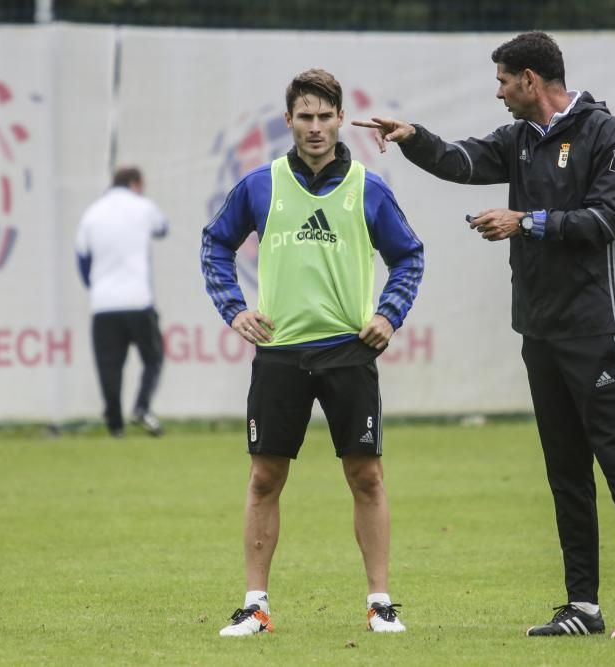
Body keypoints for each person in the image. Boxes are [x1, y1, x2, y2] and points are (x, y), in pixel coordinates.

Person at [353, 31, 615, 639]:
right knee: (565, 471)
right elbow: (461, 161)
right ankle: (584, 606)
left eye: (502, 80)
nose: (497, 92)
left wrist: (526, 221)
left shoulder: (604, 133)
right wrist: (411, 137)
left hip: (594, 327)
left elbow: (606, 220)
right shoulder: (521, 139)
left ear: (530, 80)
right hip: (540, 331)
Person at [201, 68, 423, 636]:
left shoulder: (368, 188)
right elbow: (215, 245)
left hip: (349, 352)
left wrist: (387, 315)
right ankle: (256, 605)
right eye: (306, 116)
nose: (317, 127)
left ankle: (379, 603)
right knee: (263, 478)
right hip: (280, 354)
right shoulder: (260, 184)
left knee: (367, 476)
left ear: (341, 118)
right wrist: (235, 309)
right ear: (289, 121)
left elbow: (409, 257)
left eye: (326, 116)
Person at [75, 166, 168, 438]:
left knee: (109, 367)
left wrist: (96, 287)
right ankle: (141, 406)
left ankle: (115, 426)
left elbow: (82, 259)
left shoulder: (92, 213)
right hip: (138, 300)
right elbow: (163, 228)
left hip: (103, 304)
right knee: (153, 358)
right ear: (136, 183)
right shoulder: (143, 207)